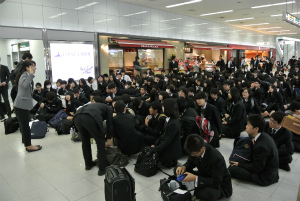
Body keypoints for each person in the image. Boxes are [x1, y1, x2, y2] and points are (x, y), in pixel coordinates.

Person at [175, 134, 232, 201]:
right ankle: (194, 187)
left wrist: (195, 178)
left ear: (202, 149)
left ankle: (193, 187)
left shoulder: (216, 158)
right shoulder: (195, 149)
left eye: (194, 154)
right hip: (204, 175)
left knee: (207, 194)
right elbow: (190, 162)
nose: (192, 155)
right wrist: (184, 167)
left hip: (219, 184)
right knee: (177, 170)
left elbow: (216, 181)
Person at [229, 114, 279, 186]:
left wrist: (239, 164)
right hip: (270, 170)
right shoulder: (263, 135)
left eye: (249, 125)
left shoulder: (261, 146)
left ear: (256, 129)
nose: (246, 126)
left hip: (265, 176)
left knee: (233, 169)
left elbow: (256, 167)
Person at [73, 102, 114, 176]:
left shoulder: (97, 106)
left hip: (77, 117)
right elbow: (110, 124)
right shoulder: (109, 109)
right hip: (90, 118)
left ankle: (88, 164)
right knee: (100, 142)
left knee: (85, 141)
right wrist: (109, 138)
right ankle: (102, 168)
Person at [14, 60, 42, 152]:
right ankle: (29, 146)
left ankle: (27, 143)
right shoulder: (25, 75)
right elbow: (25, 85)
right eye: (33, 66)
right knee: (25, 126)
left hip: (22, 105)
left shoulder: (25, 75)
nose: (35, 68)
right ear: (27, 67)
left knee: (24, 125)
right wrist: (30, 74)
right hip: (21, 106)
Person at [150, 98, 182, 168]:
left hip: (171, 150)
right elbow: (164, 135)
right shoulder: (170, 119)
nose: (162, 108)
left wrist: (154, 149)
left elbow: (167, 141)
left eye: (163, 106)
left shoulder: (173, 123)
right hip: (169, 145)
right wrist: (155, 144)